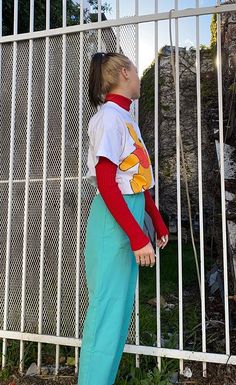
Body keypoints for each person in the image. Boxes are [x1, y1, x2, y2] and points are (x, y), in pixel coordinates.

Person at [78, 52, 169, 385]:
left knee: (116, 313)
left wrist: (155, 221)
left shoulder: (125, 118)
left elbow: (134, 178)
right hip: (112, 218)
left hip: (126, 211)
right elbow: (106, 181)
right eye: (136, 70)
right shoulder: (109, 119)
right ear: (125, 73)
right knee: (105, 310)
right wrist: (136, 235)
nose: (139, 78)